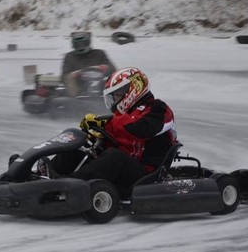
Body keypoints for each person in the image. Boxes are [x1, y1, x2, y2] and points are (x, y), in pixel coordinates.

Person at [43, 67, 178, 193]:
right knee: (83, 145)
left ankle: (67, 185)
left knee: (114, 157)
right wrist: (93, 137)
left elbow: (140, 129)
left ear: (133, 89)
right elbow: (120, 136)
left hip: (145, 175)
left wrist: (106, 123)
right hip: (125, 169)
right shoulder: (126, 116)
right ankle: (46, 175)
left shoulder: (159, 109)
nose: (115, 101)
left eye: (117, 96)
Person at [61, 31, 117, 97]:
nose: (80, 46)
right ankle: (78, 98)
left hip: (100, 88)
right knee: (68, 78)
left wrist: (102, 68)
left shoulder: (99, 53)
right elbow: (64, 76)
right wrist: (76, 74)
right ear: (74, 44)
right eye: (78, 44)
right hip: (79, 90)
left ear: (88, 42)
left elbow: (113, 70)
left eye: (82, 44)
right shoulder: (69, 57)